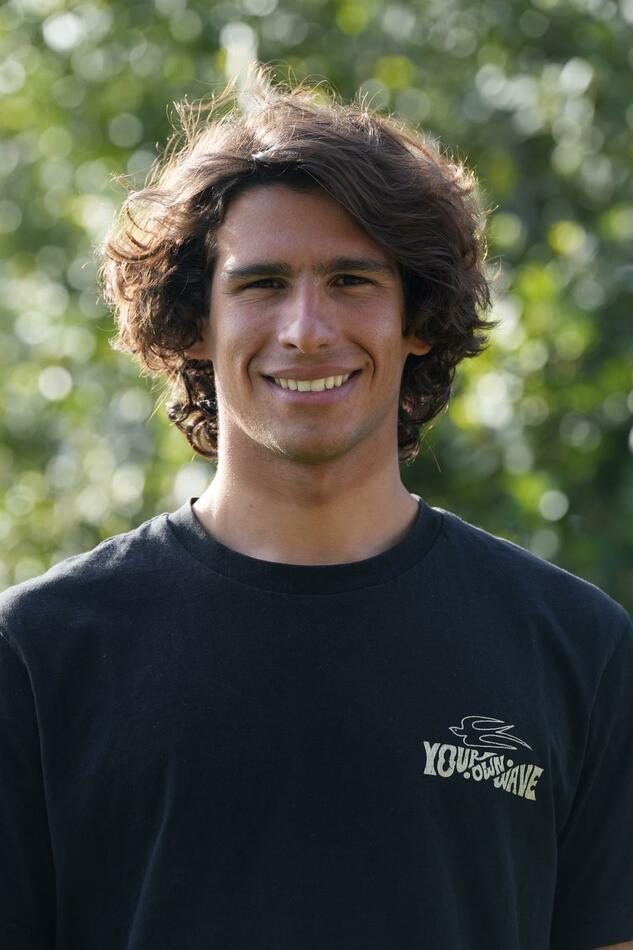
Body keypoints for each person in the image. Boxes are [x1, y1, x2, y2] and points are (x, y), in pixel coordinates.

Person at [1, 68, 631, 950]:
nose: (305, 329)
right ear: (193, 323)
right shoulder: (37, 654)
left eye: (351, 280)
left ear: (418, 318)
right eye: (261, 283)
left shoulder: (576, 649)